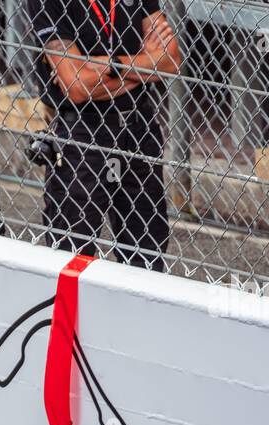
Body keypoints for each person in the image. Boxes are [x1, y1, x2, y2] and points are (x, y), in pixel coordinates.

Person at [30, 0, 182, 271]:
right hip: (82, 133)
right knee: (72, 254)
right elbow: (75, 85)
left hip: (138, 129)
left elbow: (170, 60)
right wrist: (145, 66)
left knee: (147, 254)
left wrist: (107, 66)